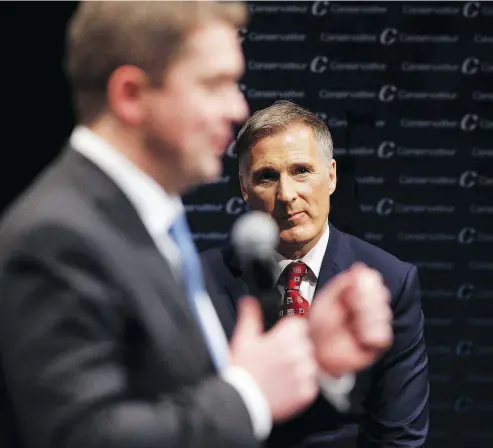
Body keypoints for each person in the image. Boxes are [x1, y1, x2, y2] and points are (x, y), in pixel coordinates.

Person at [0, 3, 394, 448]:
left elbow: (195, 411)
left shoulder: (146, 221)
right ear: (130, 94)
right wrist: (249, 395)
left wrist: (310, 361)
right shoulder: (56, 234)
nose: (237, 107)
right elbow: (82, 436)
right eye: (214, 85)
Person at [202, 100, 430, 447]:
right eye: (267, 176)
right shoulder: (200, 281)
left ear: (332, 176)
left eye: (301, 171)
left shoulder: (390, 281)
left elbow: (398, 436)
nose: (287, 195)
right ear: (244, 188)